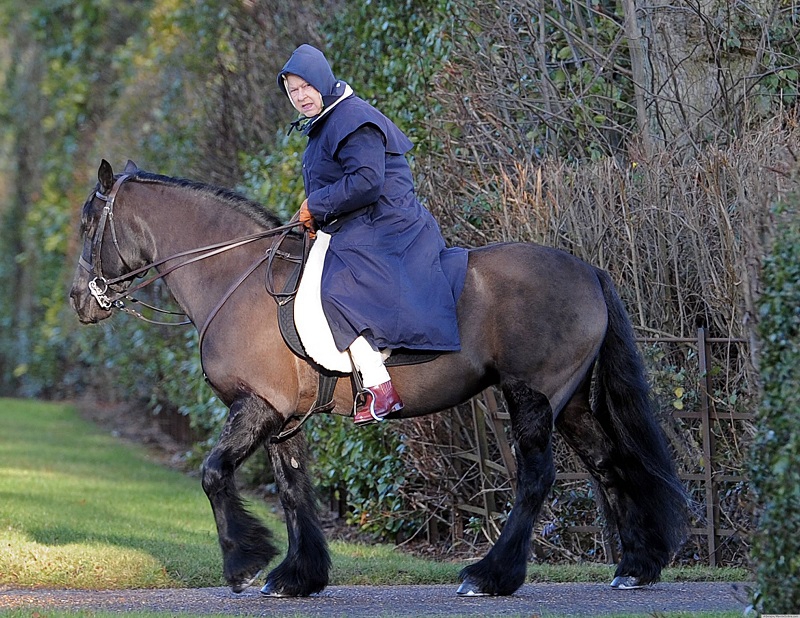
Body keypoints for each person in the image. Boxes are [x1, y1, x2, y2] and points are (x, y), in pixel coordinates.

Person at [277, 44, 467, 425]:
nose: (300, 97)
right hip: (359, 221)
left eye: (305, 87)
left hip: (387, 224)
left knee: (334, 290)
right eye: (292, 91)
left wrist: (315, 205)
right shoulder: (328, 120)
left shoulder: (353, 118)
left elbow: (366, 181)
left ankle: (381, 387)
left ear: (322, 82)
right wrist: (317, 213)